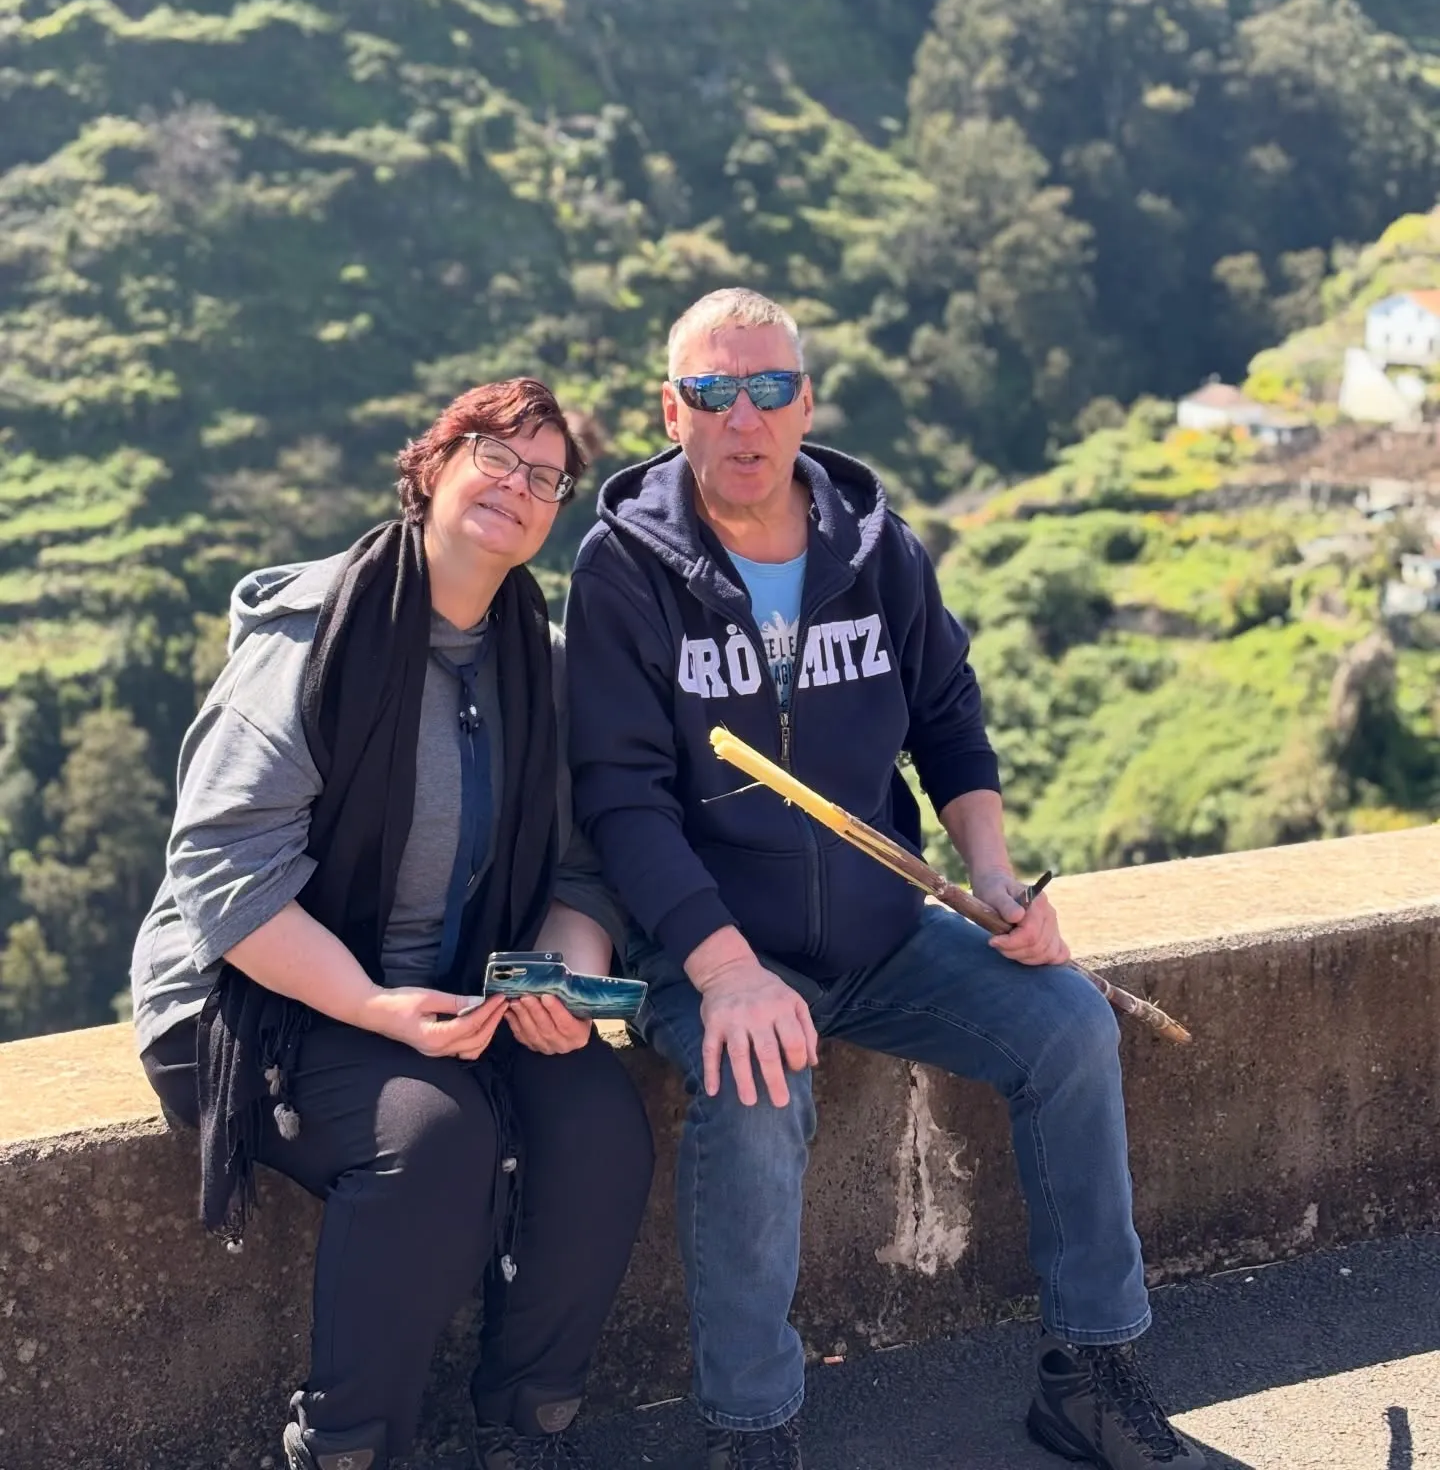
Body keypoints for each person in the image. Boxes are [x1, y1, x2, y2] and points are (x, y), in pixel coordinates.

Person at [564, 290, 1204, 1470]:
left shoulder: (875, 547)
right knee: (755, 1083)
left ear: (806, 403)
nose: (743, 418)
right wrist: (727, 972)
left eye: (768, 389)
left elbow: (947, 721)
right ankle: (752, 1431)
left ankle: (1092, 1368)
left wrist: (996, 877)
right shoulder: (623, 569)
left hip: (885, 928)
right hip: (709, 944)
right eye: (713, 392)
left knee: (1068, 1025)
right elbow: (621, 799)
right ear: (671, 411)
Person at [132, 379, 654, 1470]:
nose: (516, 486)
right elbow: (222, 869)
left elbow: (579, 862)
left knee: (597, 1126)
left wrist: (566, 977)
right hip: (260, 993)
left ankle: (529, 1424)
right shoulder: (316, 634)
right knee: (431, 1138)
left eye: (545, 476)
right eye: (494, 456)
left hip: (453, 990)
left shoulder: (541, 665)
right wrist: (373, 1005)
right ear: (434, 464)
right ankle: (347, 1445)